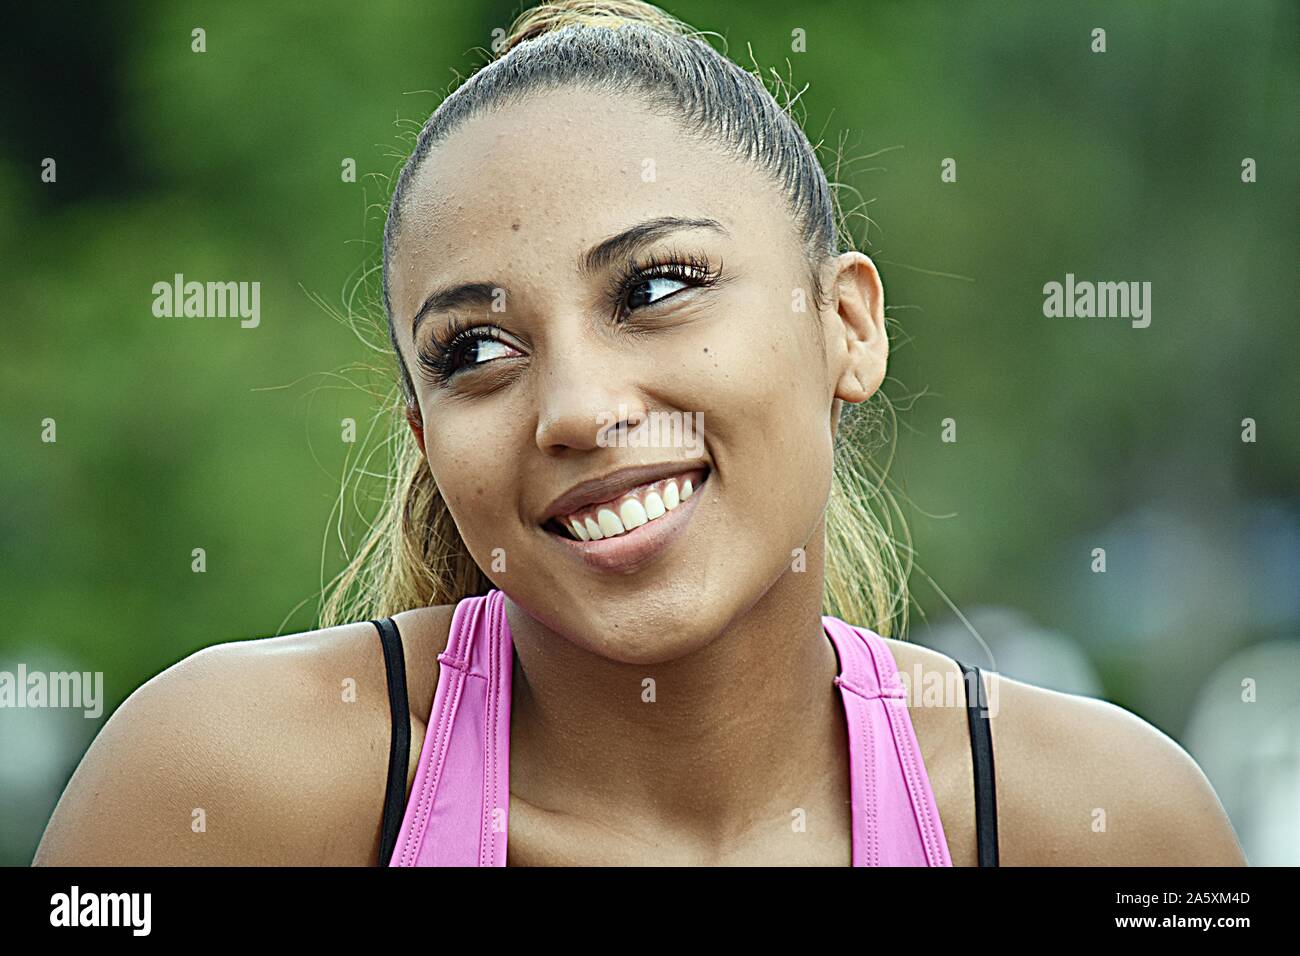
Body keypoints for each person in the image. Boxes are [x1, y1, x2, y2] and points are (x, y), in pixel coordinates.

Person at [34, 0, 1247, 867]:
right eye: (474, 351)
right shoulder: (225, 785)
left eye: (657, 287)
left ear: (847, 324)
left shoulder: (1097, 820)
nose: (572, 407)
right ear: (424, 436)